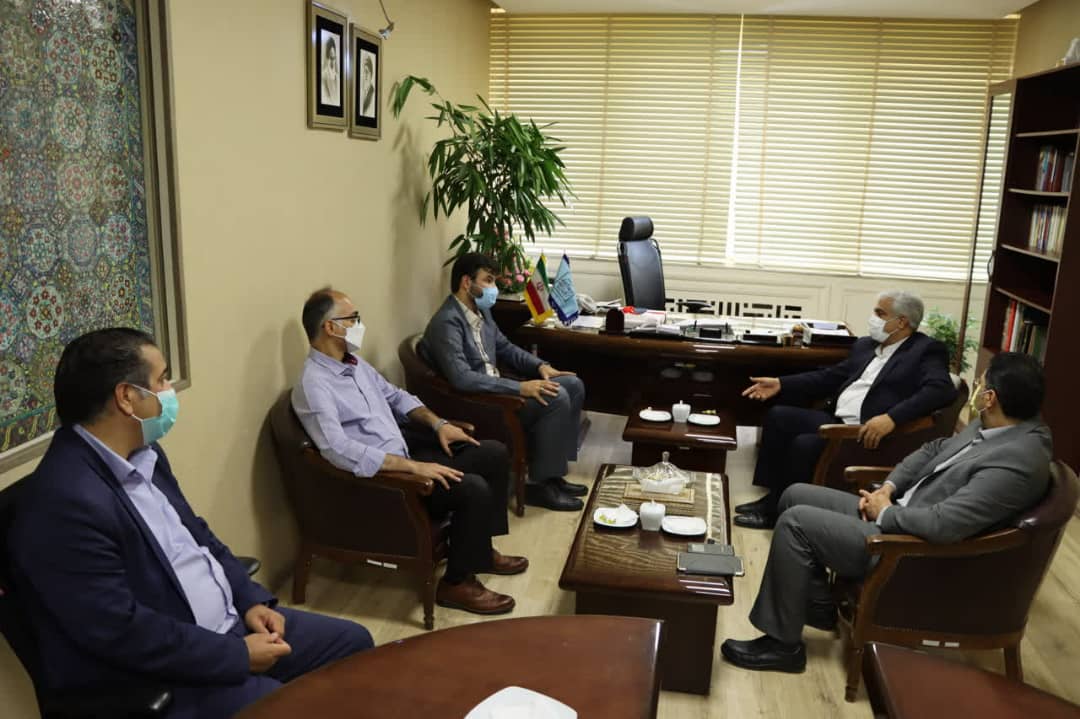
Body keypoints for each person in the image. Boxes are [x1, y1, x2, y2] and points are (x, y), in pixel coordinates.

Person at [9, 328, 374, 719]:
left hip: (229, 627)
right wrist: (236, 655)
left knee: (353, 643)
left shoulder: (144, 454)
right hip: (168, 672)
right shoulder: (64, 502)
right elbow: (120, 631)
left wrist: (249, 599)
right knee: (286, 708)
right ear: (127, 397)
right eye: (162, 379)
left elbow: (198, 536)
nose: (170, 392)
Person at [721, 352, 1051, 673]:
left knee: (796, 523)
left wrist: (886, 513)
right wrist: (888, 488)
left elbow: (944, 525)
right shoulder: (994, 425)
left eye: (980, 384)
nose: (976, 389)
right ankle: (819, 606)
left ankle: (783, 646)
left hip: (907, 550)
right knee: (794, 495)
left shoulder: (1016, 461)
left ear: (990, 398)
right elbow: (933, 449)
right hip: (900, 513)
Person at [292, 288, 528, 615]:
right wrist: (413, 468)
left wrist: (438, 424)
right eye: (353, 318)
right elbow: (337, 449)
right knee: (472, 488)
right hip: (385, 484)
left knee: (493, 453)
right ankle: (457, 584)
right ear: (331, 328)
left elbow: (396, 396)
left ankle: (480, 552)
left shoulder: (354, 365)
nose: (360, 324)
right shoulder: (314, 385)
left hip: (407, 453)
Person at [735, 290, 956, 529]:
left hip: (865, 433)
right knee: (779, 416)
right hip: (836, 419)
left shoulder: (926, 350)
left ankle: (778, 513)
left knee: (804, 444)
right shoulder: (866, 345)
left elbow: (940, 389)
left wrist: (892, 418)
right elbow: (830, 377)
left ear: (901, 322)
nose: (873, 318)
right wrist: (781, 383)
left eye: (880, 313)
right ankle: (773, 498)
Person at [419, 253, 588, 512]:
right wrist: (520, 388)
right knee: (555, 397)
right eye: (488, 280)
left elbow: (505, 348)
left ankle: (554, 474)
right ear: (466, 282)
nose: (493, 288)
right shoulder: (447, 322)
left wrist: (540, 367)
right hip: (479, 403)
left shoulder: (482, 312)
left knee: (572, 385)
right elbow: (462, 378)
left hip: (496, 389)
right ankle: (539, 486)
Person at [320, 35, 339, 106]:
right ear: (327, 57)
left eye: (334, 58)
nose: (332, 62)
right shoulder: (324, 75)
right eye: (330, 58)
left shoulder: (337, 76)